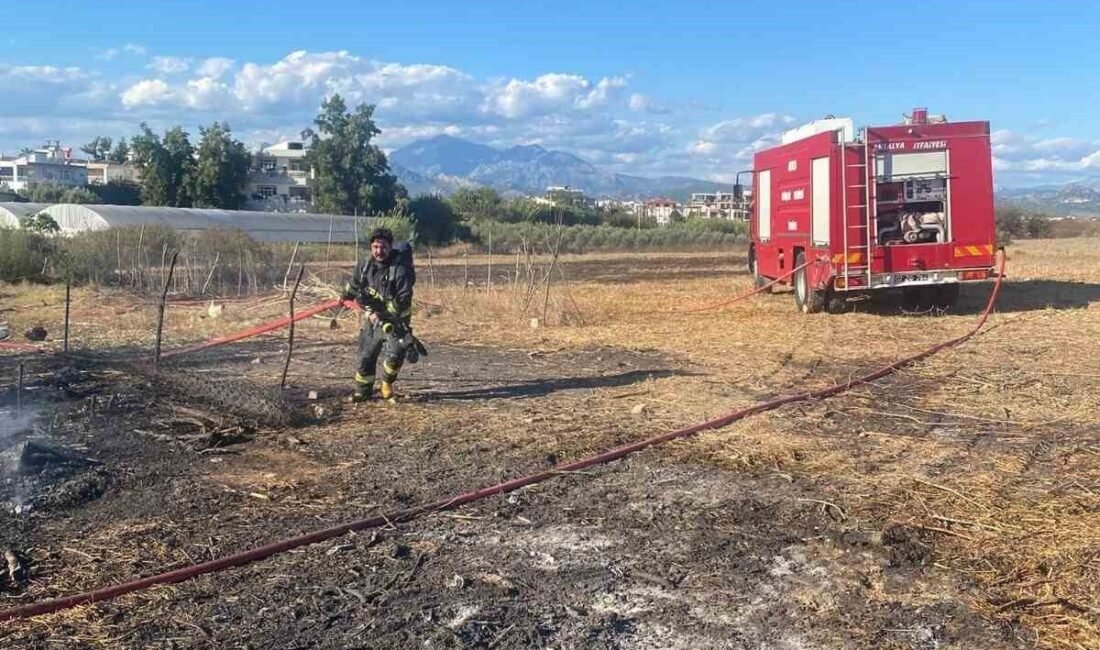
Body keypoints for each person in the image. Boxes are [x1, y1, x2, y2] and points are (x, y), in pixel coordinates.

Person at [342, 227, 414, 402]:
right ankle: (363, 390)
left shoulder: (399, 270)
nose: (379, 251)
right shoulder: (365, 266)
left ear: (390, 247)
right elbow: (354, 285)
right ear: (370, 247)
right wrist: (345, 297)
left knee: (395, 355)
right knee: (367, 354)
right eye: (375, 247)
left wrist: (382, 315)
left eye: (383, 247)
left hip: (395, 322)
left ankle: (387, 383)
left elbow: (403, 299)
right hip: (373, 319)